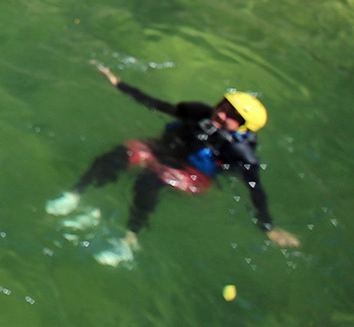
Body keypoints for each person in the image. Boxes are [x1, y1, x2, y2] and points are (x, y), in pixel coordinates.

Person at [47, 63, 301, 265]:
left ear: (243, 128)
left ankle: (129, 239)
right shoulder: (198, 112)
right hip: (163, 151)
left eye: (233, 117)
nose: (222, 115)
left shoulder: (240, 152)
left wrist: (268, 228)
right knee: (119, 154)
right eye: (225, 107)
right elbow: (159, 105)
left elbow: (255, 188)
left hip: (193, 173)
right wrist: (119, 84)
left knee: (151, 180)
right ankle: (75, 194)